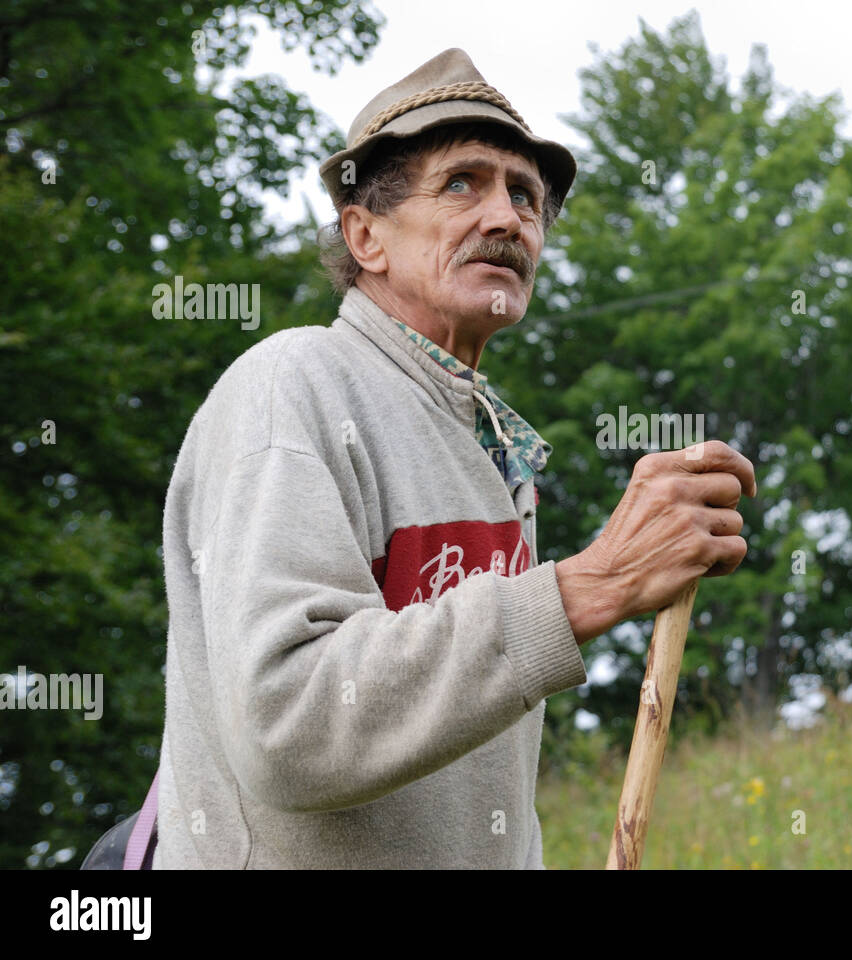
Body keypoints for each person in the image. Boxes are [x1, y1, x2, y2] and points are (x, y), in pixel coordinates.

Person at [150, 48, 756, 868]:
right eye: (462, 182)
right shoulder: (291, 387)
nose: (507, 219)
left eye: (526, 196)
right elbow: (285, 723)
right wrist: (595, 584)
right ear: (365, 235)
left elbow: (487, 788)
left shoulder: (497, 448)